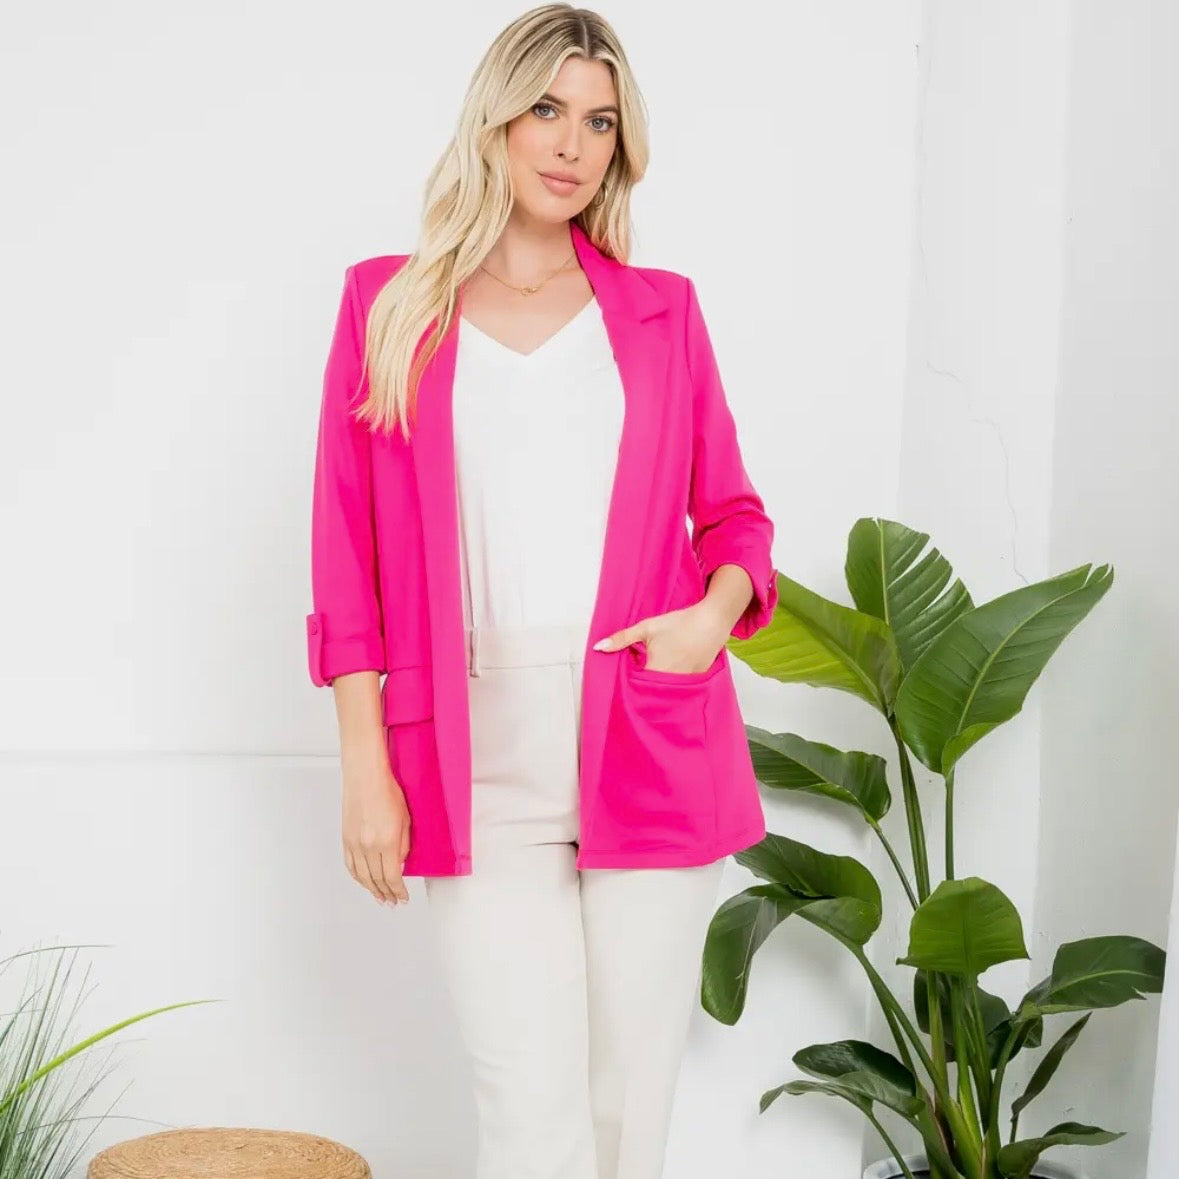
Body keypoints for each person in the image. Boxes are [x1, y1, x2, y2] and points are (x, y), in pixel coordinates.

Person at [304, 5, 779, 1177]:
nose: (572, 144)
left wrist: (709, 620)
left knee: (627, 1112)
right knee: (528, 1111)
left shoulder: (661, 315)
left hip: (648, 729)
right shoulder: (388, 306)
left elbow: (735, 518)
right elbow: (346, 559)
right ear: (497, 121)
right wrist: (365, 766)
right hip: (473, 749)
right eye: (548, 111)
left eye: (600, 122)